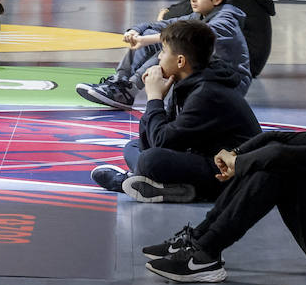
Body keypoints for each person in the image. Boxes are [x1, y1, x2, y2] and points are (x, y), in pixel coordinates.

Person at [144, 67, 306, 285]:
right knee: (273, 162)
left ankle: (206, 253)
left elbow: (279, 154)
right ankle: (198, 240)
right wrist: (236, 153)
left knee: (280, 169)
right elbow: (276, 136)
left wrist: (238, 162)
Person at [91, 20, 261, 204]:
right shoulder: (188, 82)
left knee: (150, 160)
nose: (158, 58)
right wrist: (157, 99)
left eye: (163, 52)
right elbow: (151, 139)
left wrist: (154, 97)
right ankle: (160, 185)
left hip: (232, 174)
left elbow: (161, 142)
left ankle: (130, 181)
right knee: (133, 147)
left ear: (180, 61)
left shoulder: (207, 93)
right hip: (205, 156)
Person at [78, 0, 251, 109]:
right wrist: (135, 31)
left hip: (231, 83)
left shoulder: (226, 18)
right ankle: (120, 83)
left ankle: (129, 89)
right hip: (207, 73)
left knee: (172, 48)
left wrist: (145, 40)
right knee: (154, 33)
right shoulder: (199, 15)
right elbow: (159, 25)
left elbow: (187, 37)